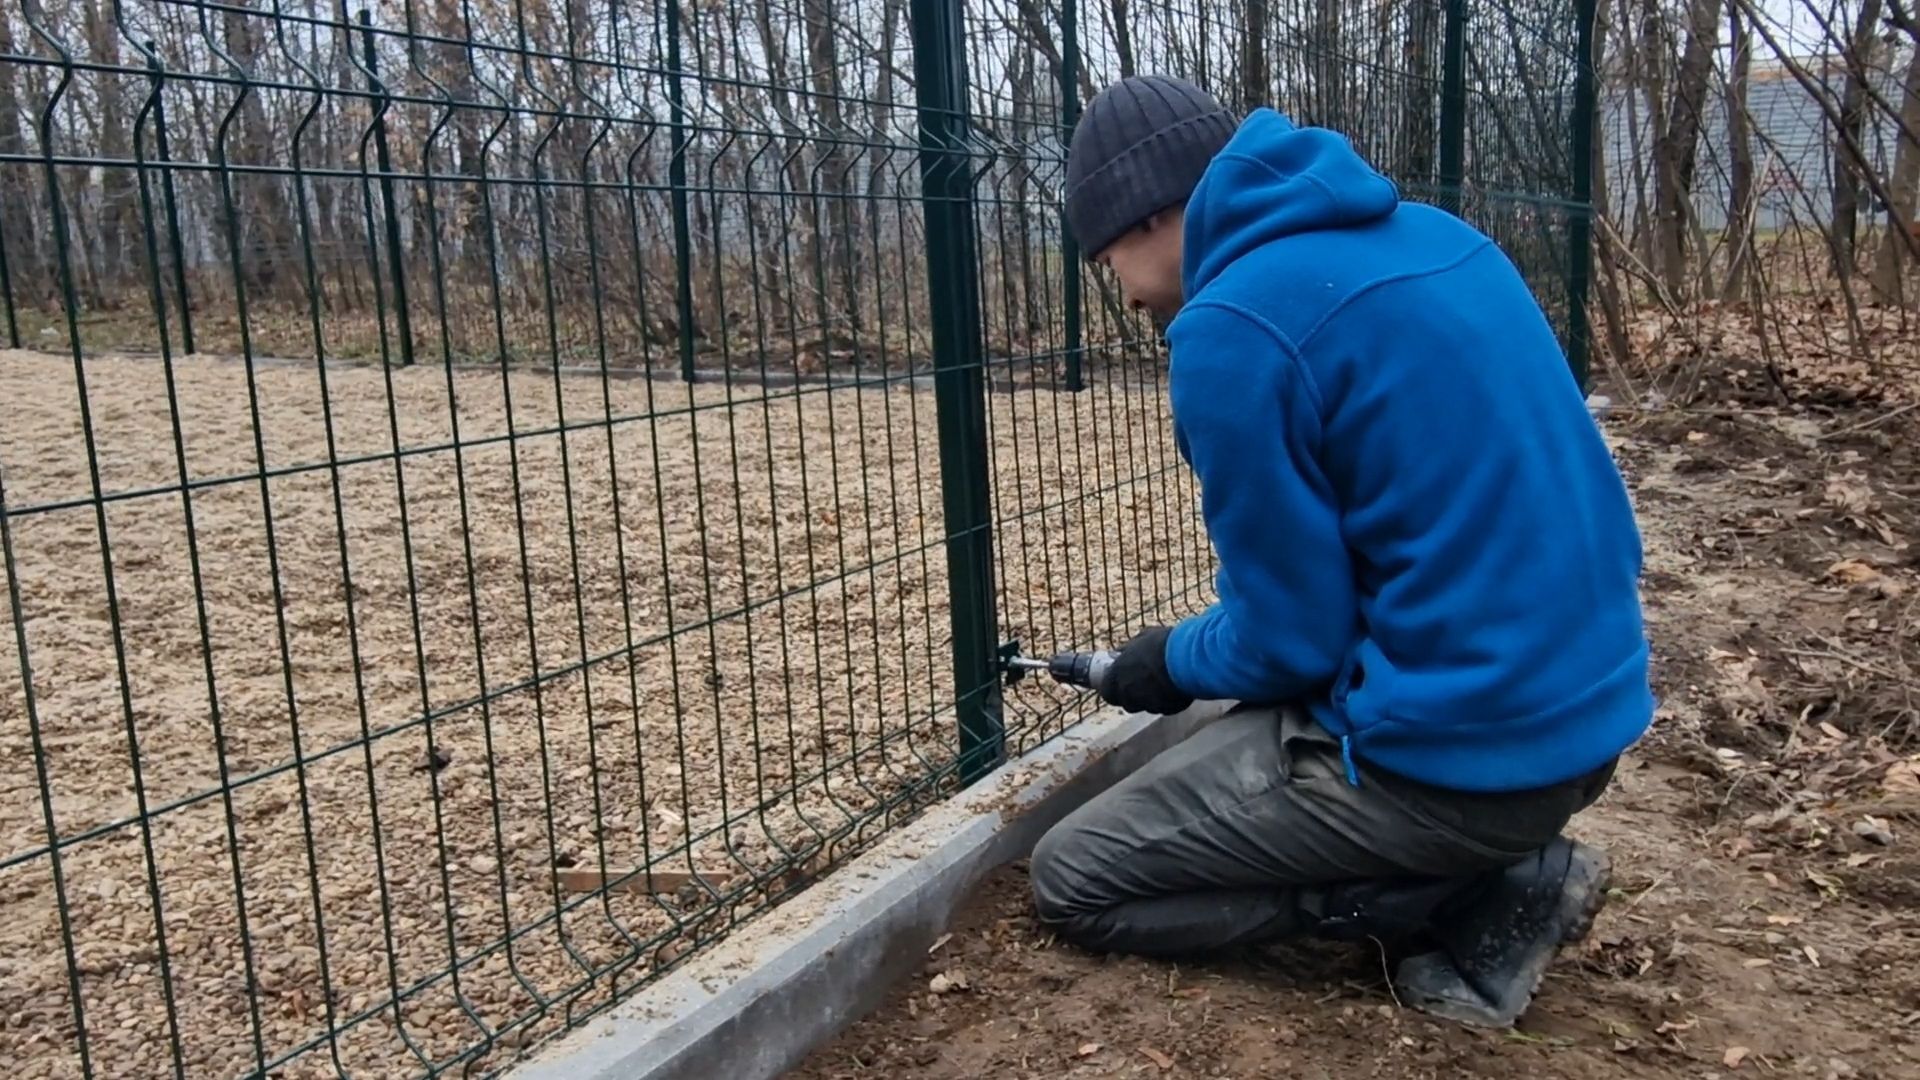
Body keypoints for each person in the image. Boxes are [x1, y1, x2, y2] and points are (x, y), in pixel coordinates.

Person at [1028, 74, 1652, 1028]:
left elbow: (1293, 639)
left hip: (1469, 757)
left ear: (1148, 214)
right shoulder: (1443, 237)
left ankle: (1465, 891)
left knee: (1076, 878)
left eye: (1104, 252)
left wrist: (1165, 660)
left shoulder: (1233, 330)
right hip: (1593, 715)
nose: (1116, 285)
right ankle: (1488, 853)